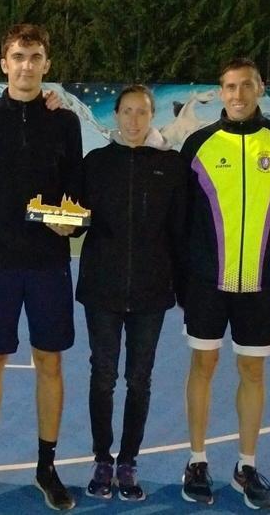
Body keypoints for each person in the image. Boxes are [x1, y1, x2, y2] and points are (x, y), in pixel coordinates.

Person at [0, 23, 82, 511]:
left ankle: (46, 466)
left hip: (49, 263)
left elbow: (78, 193)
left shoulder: (64, 123)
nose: (26, 65)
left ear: (47, 64)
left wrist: (73, 226)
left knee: (50, 362)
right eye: (18, 56)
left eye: (35, 56)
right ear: (3, 64)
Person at [179, 58, 270, 510]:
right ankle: (196, 461)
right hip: (206, 284)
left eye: (246, 86)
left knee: (253, 371)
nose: (237, 94)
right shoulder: (198, 144)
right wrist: (189, 275)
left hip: (257, 284)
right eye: (230, 86)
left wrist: (264, 256)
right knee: (204, 366)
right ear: (221, 91)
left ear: (260, 88)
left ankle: (245, 466)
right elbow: (184, 218)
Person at [76, 85, 186, 502]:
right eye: (127, 112)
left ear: (152, 116)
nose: (134, 120)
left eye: (142, 112)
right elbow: (77, 218)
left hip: (151, 292)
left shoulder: (170, 166)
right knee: (102, 377)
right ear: (117, 116)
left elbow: (179, 231)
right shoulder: (96, 163)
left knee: (139, 380)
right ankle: (103, 459)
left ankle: (128, 462)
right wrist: (63, 223)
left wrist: (180, 285)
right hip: (101, 289)